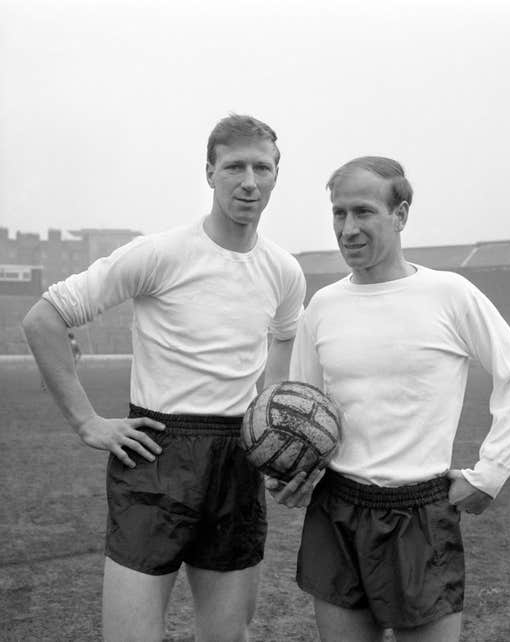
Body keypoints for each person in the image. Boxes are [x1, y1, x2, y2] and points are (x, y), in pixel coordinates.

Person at [22, 114, 306, 642]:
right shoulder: (160, 253)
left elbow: (284, 336)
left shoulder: (284, 271)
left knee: (227, 637)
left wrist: (271, 420)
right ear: (209, 172)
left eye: (261, 167)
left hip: (236, 461)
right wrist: (87, 422)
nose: (249, 180)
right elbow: (44, 318)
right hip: (156, 455)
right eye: (234, 166)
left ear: (275, 175)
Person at [267, 156, 510, 642]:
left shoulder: (449, 294)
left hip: (419, 514)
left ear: (400, 215)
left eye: (363, 212)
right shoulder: (324, 306)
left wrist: (492, 473)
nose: (348, 229)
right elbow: (306, 410)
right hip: (337, 509)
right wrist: (291, 473)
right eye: (338, 214)